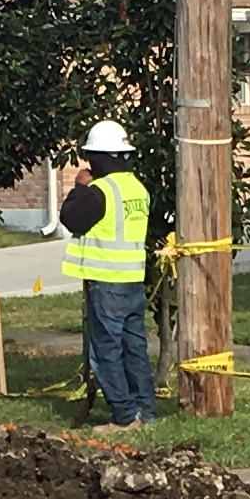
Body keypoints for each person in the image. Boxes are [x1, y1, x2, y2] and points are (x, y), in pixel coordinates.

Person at [59, 115, 156, 429]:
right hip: (132, 283)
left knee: (105, 353)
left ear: (96, 158)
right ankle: (147, 413)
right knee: (135, 350)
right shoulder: (137, 188)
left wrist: (78, 188)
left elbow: (72, 219)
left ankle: (125, 417)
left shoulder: (99, 191)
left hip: (107, 285)